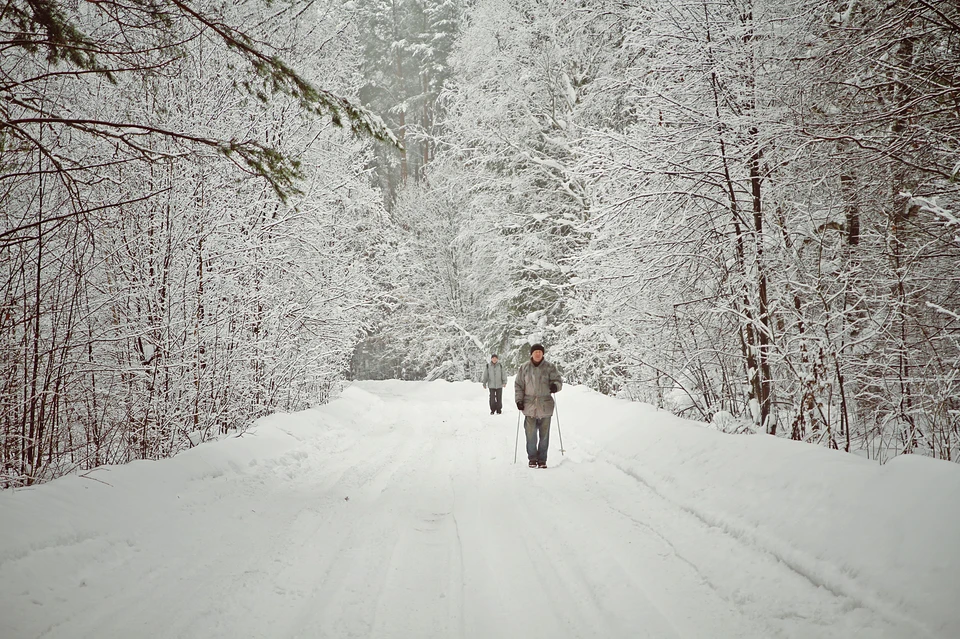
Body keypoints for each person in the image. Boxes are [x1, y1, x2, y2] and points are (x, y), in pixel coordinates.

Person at [514, 343, 562, 468]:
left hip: (545, 405)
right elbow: (518, 385)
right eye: (535, 351)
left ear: (543, 353)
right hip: (529, 405)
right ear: (531, 353)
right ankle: (532, 458)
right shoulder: (524, 368)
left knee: (544, 435)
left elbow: (558, 381)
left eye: (540, 352)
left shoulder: (550, 367)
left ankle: (542, 460)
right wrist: (519, 400)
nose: (537, 353)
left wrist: (555, 386)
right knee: (530, 435)